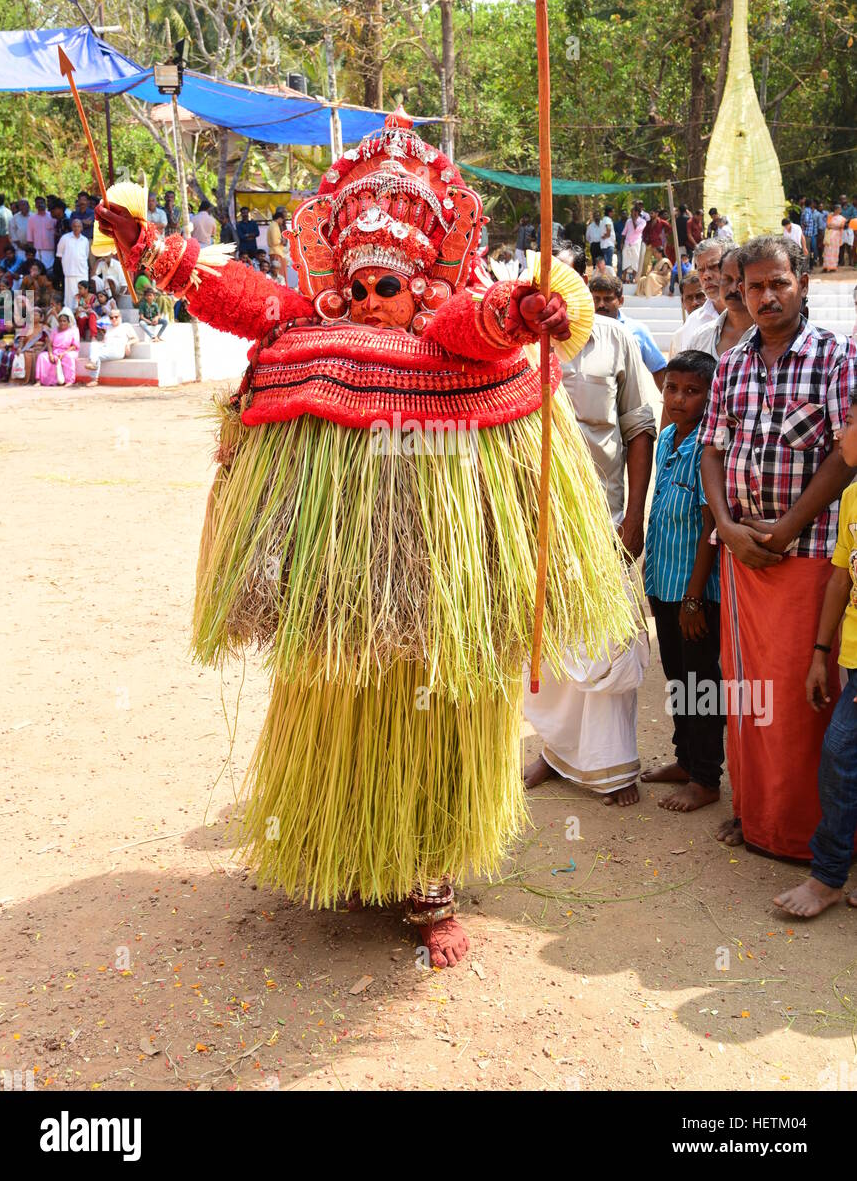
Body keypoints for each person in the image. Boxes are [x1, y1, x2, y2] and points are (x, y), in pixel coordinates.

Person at [93, 106, 635, 969]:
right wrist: (153, 247)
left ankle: (429, 881)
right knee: (335, 694)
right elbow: (247, 299)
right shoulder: (312, 324)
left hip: (440, 586)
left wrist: (523, 307)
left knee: (443, 712)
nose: (368, 304)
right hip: (346, 590)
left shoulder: (453, 334)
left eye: (388, 290)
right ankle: (344, 847)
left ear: (423, 286)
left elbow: (479, 321)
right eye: (356, 288)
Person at [700, 235, 855, 859]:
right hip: (742, 557)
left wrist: (788, 525)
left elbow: (848, 455)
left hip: (809, 555)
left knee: (800, 700)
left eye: (777, 283)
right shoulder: (734, 362)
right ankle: (755, 816)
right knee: (744, 692)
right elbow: (712, 447)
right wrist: (727, 526)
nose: (764, 296)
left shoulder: (835, 358)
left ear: (803, 285)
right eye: (753, 286)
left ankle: (806, 837)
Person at [524, 245, 655, 808]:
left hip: (604, 517)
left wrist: (634, 517)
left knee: (605, 638)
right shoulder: (515, 345)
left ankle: (611, 765)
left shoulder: (614, 338)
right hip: (532, 519)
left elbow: (639, 429)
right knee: (547, 642)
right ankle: (554, 750)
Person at [774, 393, 857, 917]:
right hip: (851, 656)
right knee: (845, 757)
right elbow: (840, 579)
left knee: (841, 753)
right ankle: (830, 876)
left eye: (850, 422)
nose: (842, 430)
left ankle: (827, 876)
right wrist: (821, 654)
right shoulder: (851, 497)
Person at [642, 351, 723, 812]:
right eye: (672, 388)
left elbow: (711, 527)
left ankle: (707, 777)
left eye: (692, 392)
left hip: (695, 593)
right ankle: (685, 759)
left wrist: (693, 598)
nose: (678, 399)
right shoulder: (669, 436)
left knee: (701, 681)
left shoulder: (709, 448)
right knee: (676, 676)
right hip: (662, 581)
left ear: (711, 397)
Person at [588, 271, 667, 390]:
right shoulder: (583, 330)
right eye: (596, 299)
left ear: (621, 301)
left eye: (608, 299)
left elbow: (658, 369)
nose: (601, 305)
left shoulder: (637, 330)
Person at [684, 247, 753, 360]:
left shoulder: (770, 335)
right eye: (727, 279)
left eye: (713, 267)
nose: (733, 288)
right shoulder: (700, 335)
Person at [84, 306, 138, 382]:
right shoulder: (108, 327)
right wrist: (99, 344)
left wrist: (128, 344)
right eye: (111, 317)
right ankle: (93, 365)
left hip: (117, 351)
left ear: (120, 317)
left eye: (116, 317)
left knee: (96, 356)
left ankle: (94, 378)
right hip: (106, 348)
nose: (114, 319)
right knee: (93, 344)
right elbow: (105, 340)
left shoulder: (125, 326)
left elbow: (135, 338)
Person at [35, 310, 79, 386]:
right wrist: (50, 354)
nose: (62, 323)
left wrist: (64, 353)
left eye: (64, 321)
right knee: (42, 356)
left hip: (68, 351)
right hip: (55, 352)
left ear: (68, 322)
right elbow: (49, 344)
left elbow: (74, 346)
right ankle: (39, 381)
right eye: (60, 321)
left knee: (69, 357)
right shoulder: (55, 330)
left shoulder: (74, 330)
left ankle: (69, 381)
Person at [58, 218, 90, 310]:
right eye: (75, 226)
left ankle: (82, 311)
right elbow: (60, 255)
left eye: (79, 226)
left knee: (82, 294)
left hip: (82, 272)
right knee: (70, 295)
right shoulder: (65, 238)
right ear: (72, 227)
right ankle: (69, 313)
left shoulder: (85, 240)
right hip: (70, 272)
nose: (77, 228)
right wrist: (67, 266)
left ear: (82, 228)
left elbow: (86, 256)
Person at [26, 197, 57, 272]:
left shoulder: (52, 216)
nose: (40, 205)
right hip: (38, 250)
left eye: (41, 202)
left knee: (50, 271)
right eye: (38, 203)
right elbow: (30, 237)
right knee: (39, 271)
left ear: (45, 203)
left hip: (51, 249)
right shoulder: (32, 218)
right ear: (35, 205)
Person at [621, 203, 646, 282]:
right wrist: (622, 242)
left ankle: (633, 278)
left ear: (638, 213)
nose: (632, 214)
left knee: (635, 260)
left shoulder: (642, 222)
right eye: (631, 212)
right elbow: (624, 232)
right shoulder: (628, 221)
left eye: (634, 212)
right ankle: (624, 278)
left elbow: (636, 229)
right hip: (627, 243)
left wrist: (634, 220)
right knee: (625, 260)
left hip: (636, 243)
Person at [266, 206, 288, 282]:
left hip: (277, 251)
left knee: (280, 273)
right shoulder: (274, 226)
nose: (282, 221)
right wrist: (282, 240)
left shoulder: (273, 225)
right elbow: (275, 241)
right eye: (282, 219)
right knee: (279, 273)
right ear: (279, 218)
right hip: (276, 252)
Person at [823, 203, 846, 272]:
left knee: (835, 251)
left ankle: (833, 267)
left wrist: (833, 226)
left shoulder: (842, 218)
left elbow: (841, 226)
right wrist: (835, 227)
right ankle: (826, 266)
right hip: (829, 235)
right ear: (836, 210)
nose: (840, 210)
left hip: (836, 236)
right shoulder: (830, 216)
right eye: (839, 209)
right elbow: (827, 225)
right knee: (827, 250)